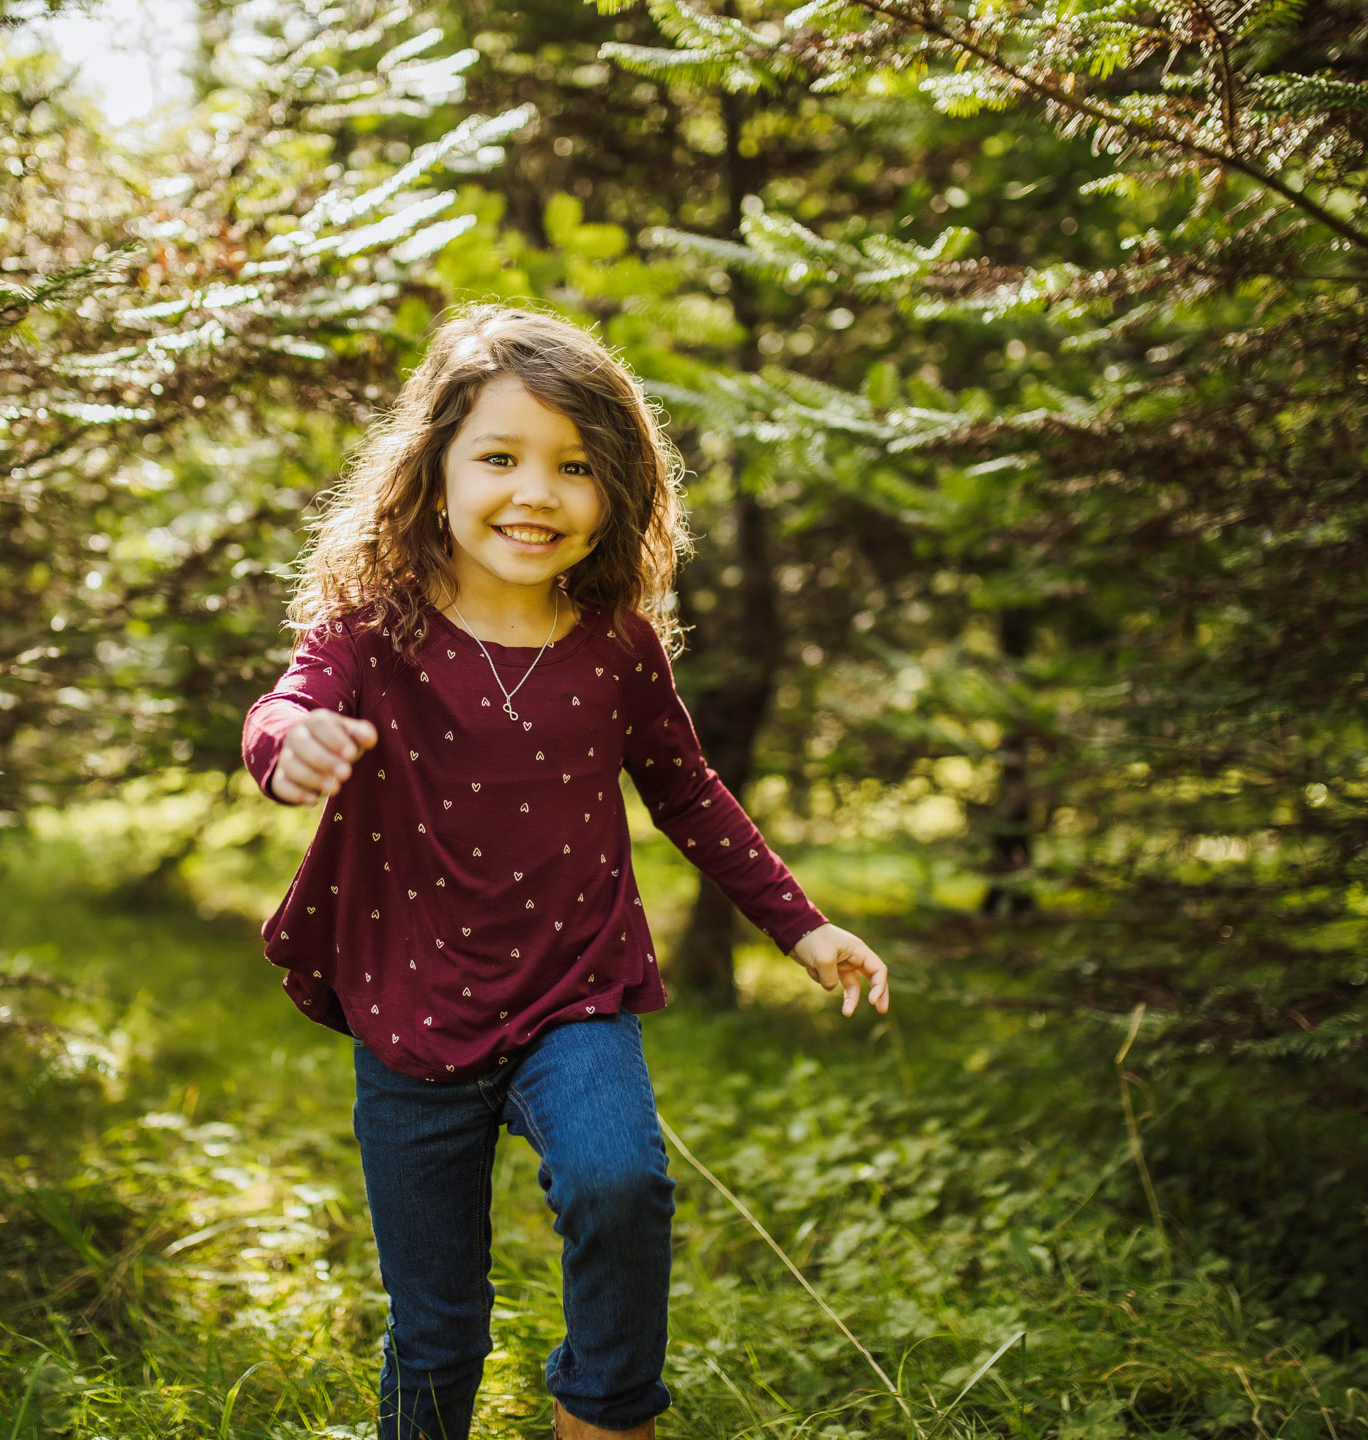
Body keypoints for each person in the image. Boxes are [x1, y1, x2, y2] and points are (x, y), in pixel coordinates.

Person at [241, 304, 890, 1440]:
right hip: (411, 1004)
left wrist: (803, 928)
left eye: (576, 466)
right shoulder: (371, 635)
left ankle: (604, 1411)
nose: (535, 493)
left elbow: (688, 791)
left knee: (619, 1185)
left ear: (618, 493)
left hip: (572, 992)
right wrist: (287, 746)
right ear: (432, 472)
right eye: (499, 458)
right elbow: (285, 703)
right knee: (437, 1328)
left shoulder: (616, 649)